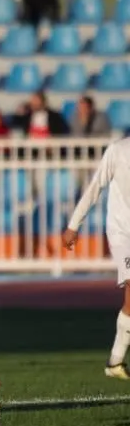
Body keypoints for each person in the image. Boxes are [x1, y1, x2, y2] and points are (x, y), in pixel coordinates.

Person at [63, 137, 130, 380]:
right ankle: (115, 361)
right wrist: (73, 225)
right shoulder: (119, 150)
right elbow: (95, 187)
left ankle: (115, 362)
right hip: (122, 232)